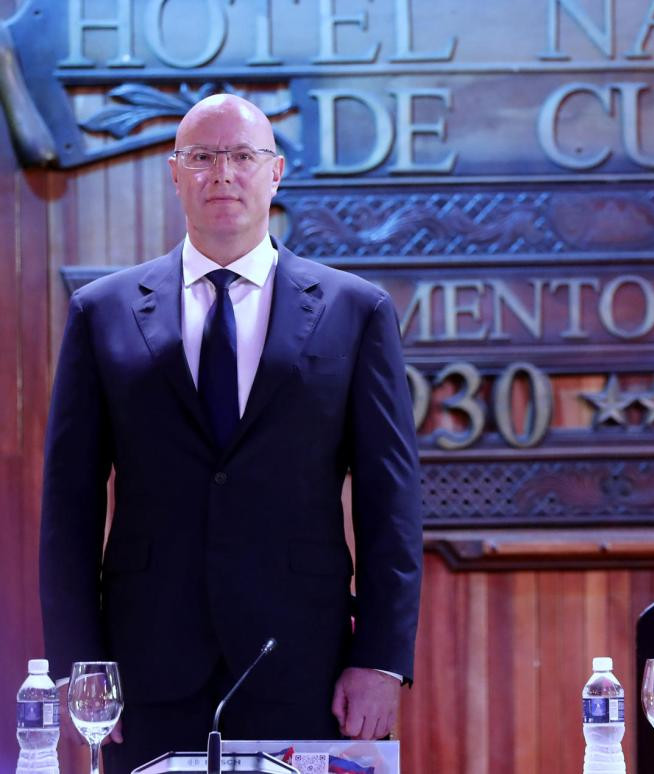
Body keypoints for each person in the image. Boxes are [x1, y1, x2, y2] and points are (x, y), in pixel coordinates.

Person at [39, 94, 423, 773]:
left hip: (306, 664)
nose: (224, 174)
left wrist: (382, 661)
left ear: (275, 174)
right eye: (204, 157)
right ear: (175, 173)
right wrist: (80, 666)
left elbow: (391, 505)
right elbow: (67, 508)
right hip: (142, 671)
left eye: (243, 157)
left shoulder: (354, 311)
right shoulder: (102, 313)